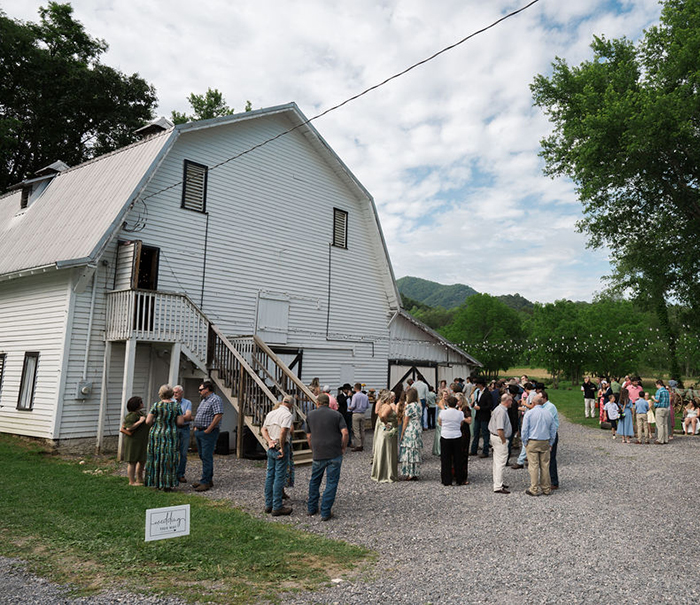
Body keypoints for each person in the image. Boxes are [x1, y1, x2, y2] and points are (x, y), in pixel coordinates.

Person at [305, 392, 349, 520]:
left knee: (314, 481)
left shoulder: (310, 415)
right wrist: (343, 446)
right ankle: (325, 512)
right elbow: (345, 432)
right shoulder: (337, 415)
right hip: (334, 452)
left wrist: (312, 448)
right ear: (329, 403)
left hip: (318, 452)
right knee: (331, 482)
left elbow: (308, 436)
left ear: (317, 403)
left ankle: (312, 508)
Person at [145, 384, 184, 490]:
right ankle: (167, 483)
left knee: (157, 457)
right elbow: (180, 422)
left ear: (161, 394)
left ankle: (156, 482)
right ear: (171, 394)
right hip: (171, 433)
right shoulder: (176, 406)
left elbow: (148, 421)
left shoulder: (156, 405)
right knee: (169, 458)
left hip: (157, 433)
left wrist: (157, 422)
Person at [261, 394, 294, 516]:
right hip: (280, 445)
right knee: (279, 477)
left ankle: (268, 504)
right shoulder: (287, 415)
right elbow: (283, 431)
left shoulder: (271, 413)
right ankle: (277, 506)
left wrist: (269, 440)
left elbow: (263, 429)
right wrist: (282, 448)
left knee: (270, 475)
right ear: (291, 405)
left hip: (271, 446)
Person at [521, 394, 556, 496]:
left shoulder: (529, 414)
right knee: (545, 465)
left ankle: (534, 488)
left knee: (533, 465)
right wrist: (551, 442)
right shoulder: (548, 414)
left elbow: (524, 430)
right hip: (545, 441)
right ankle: (546, 488)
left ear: (533, 403)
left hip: (532, 441)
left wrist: (525, 442)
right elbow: (553, 430)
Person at [192, 380, 224, 491]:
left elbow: (218, 415)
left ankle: (205, 482)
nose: (199, 391)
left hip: (208, 432)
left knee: (206, 456)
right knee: (202, 455)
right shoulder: (204, 400)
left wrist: (209, 429)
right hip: (200, 431)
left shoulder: (215, 399)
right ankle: (207, 479)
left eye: (201, 389)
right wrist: (196, 428)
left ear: (207, 389)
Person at [439, 395, 467, 486]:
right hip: (456, 436)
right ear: (456, 404)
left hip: (445, 435)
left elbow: (440, 423)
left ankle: (447, 480)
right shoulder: (460, 413)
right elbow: (461, 423)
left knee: (445, 459)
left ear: (447, 403)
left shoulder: (443, 412)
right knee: (458, 458)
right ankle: (459, 479)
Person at [371, 391, 399, 483]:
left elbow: (379, 413)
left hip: (383, 431)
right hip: (388, 431)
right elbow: (383, 416)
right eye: (391, 398)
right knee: (388, 451)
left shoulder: (382, 406)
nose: (392, 399)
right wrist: (387, 423)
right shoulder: (387, 406)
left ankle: (380, 472)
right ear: (388, 398)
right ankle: (387, 474)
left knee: (383, 451)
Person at [488, 392, 513, 494]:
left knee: (497, 461)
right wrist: (503, 440)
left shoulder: (499, 409)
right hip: (499, 438)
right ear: (507, 401)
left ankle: (498, 482)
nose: (512, 402)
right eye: (511, 400)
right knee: (500, 463)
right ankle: (498, 486)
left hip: (495, 437)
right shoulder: (501, 412)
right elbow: (500, 429)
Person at [121, 396, 149, 486]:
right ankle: (131, 481)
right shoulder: (131, 416)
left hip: (142, 440)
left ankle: (140, 479)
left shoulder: (140, 413)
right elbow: (129, 427)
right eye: (141, 402)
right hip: (133, 441)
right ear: (136, 404)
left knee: (142, 460)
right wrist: (140, 422)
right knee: (132, 461)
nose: (142, 403)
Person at [399, 387, 423, 480]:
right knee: (415, 449)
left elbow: (406, 421)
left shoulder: (409, 406)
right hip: (417, 426)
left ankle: (410, 473)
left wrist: (402, 433)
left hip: (410, 428)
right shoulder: (419, 405)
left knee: (409, 449)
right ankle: (415, 472)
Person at [173, 385, 193, 482]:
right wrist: (183, 416)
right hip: (174, 429)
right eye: (174, 392)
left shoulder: (187, 402)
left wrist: (176, 418)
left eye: (177, 392)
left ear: (181, 393)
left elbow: (189, 416)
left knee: (183, 453)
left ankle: (181, 474)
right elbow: (186, 416)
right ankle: (173, 473)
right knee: (173, 451)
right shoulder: (171, 402)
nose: (175, 394)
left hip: (185, 429)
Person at [540, 391, 560, 490]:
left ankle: (554, 481)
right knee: (544, 459)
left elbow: (547, 422)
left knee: (551, 458)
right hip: (545, 435)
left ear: (544, 398)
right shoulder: (543, 407)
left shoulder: (550, 407)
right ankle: (546, 480)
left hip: (551, 435)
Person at [470, 377, 492, 458]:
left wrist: (480, 408)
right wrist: (473, 404)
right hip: (478, 416)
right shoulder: (478, 392)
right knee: (476, 433)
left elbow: (489, 406)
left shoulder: (487, 393)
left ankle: (485, 451)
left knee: (485, 433)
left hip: (484, 416)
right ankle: (473, 450)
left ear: (480, 384)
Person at [348, 382, 370, 451]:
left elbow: (353, 405)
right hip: (363, 414)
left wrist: (349, 407)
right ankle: (362, 444)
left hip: (356, 413)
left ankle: (358, 445)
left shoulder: (355, 396)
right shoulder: (365, 396)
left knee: (356, 430)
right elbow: (367, 406)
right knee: (362, 430)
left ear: (355, 388)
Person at [433, 387, 451, 456]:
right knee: (439, 434)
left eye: (446, 394)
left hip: (445, 418)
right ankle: (439, 450)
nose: (446, 396)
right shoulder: (441, 402)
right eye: (444, 395)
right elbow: (444, 409)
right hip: (440, 418)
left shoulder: (447, 402)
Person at [653, 380, 671, 444]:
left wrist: (653, 398)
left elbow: (657, 400)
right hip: (666, 408)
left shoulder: (659, 391)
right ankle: (666, 439)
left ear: (658, 384)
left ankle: (660, 439)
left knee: (660, 425)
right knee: (665, 424)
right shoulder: (666, 391)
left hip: (660, 408)